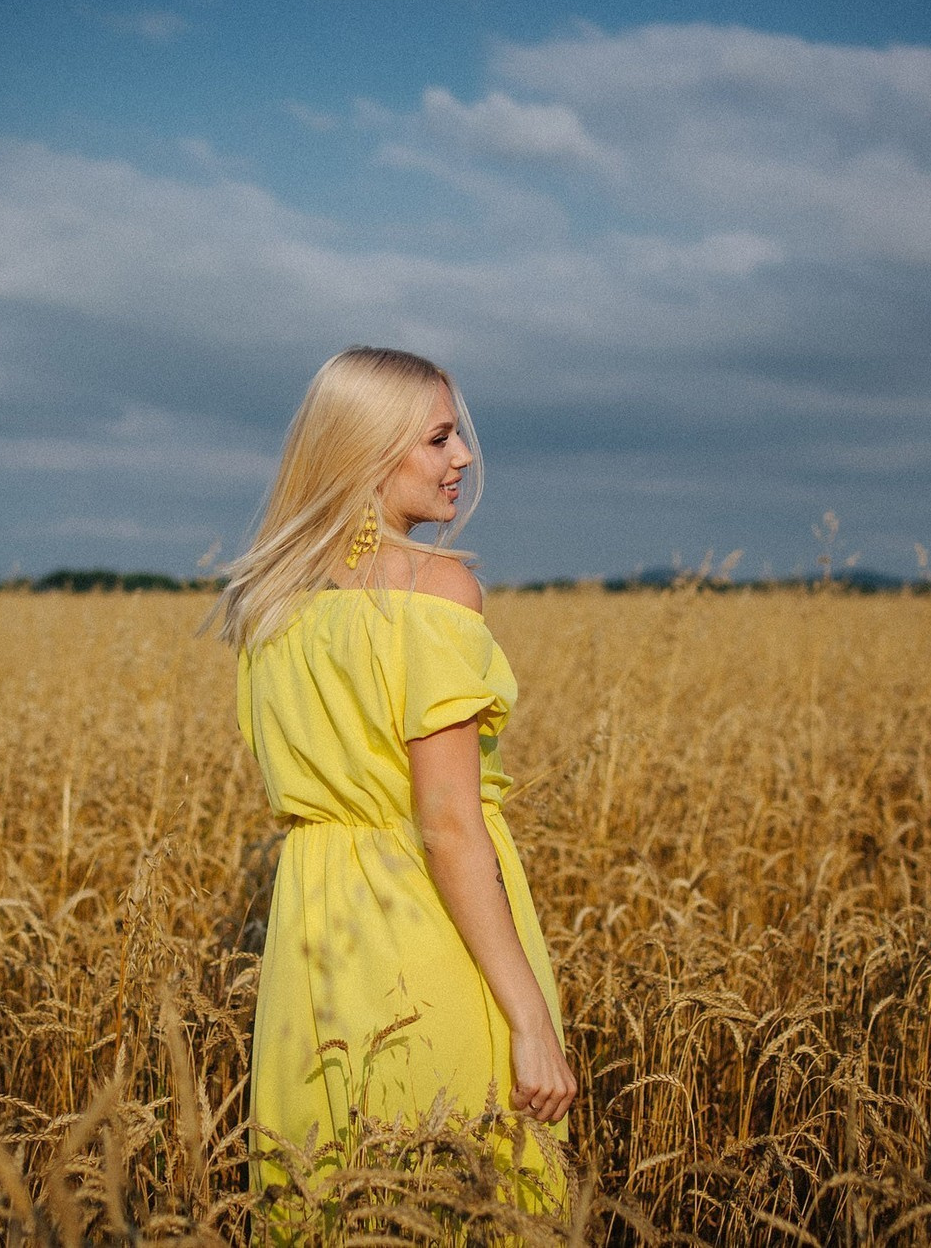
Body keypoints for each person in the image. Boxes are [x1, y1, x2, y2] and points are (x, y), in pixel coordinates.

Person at [211, 346, 577, 1218]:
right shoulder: (437, 591)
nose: (465, 458)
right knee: (465, 1195)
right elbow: (448, 823)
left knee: (331, 1192)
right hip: (431, 940)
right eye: (441, 438)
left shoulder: (269, 601)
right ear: (370, 451)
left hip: (314, 952)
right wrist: (528, 1017)